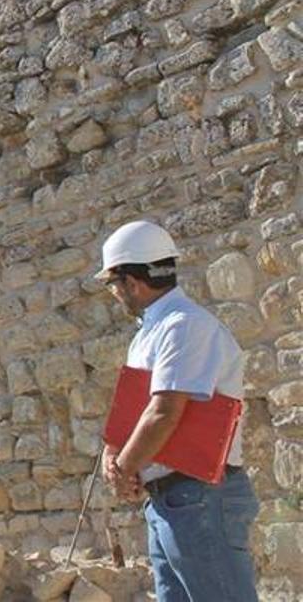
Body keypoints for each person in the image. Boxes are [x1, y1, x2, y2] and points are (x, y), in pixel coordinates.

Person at [96, 220, 258, 602]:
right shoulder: (154, 332)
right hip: (172, 498)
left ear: (131, 282)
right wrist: (112, 454)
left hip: (199, 497)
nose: (115, 294)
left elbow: (164, 412)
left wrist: (122, 470)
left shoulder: (183, 326)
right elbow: (137, 410)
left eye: (112, 284)